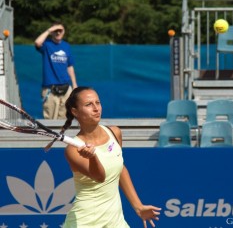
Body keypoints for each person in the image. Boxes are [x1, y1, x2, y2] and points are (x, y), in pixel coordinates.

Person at [60, 86, 161, 228]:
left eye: (98, 102)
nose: (96, 108)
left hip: (115, 221)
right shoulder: (72, 150)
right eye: (89, 104)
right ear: (75, 111)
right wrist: (92, 157)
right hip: (85, 221)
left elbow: (120, 168)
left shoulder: (115, 132)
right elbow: (100, 177)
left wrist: (138, 207)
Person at [34, 22, 78, 119]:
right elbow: (37, 42)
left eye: (60, 30)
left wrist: (74, 84)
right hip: (50, 88)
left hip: (66, 88)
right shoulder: (47, 45)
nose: (58, 33)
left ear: (64, 32)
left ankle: (62, 134)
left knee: (65, 117)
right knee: (50, 119)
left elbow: (70, 66)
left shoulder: (66, 46)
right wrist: (50, 30)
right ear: (52, 32)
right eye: (55, 31)